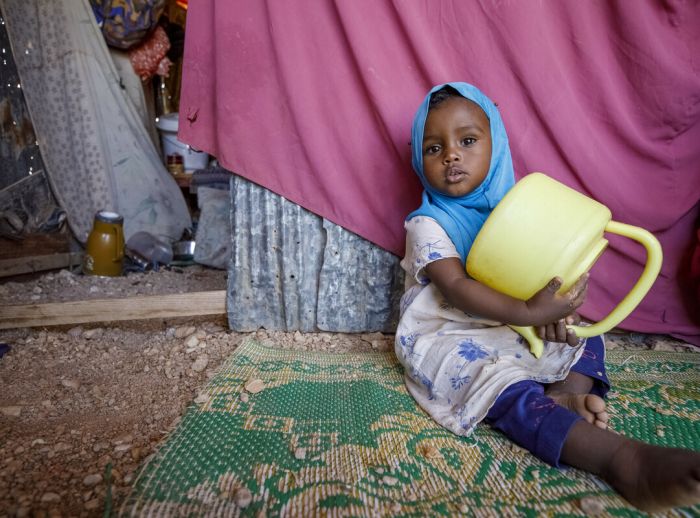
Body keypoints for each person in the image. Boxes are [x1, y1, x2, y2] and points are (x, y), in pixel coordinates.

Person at [395, 81, 700, 512]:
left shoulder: (522, 211)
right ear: (418, 160)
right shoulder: (428, 223)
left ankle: (564, 395)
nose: (451, 155)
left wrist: (560, 303)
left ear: (496, 144)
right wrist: (527, 310)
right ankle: (620, 458)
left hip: (512, 320)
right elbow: (459, 289)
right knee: (497, 386)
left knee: (582, 338)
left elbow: (554, 271)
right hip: (449, 332)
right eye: (433, 148)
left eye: (467, 141)